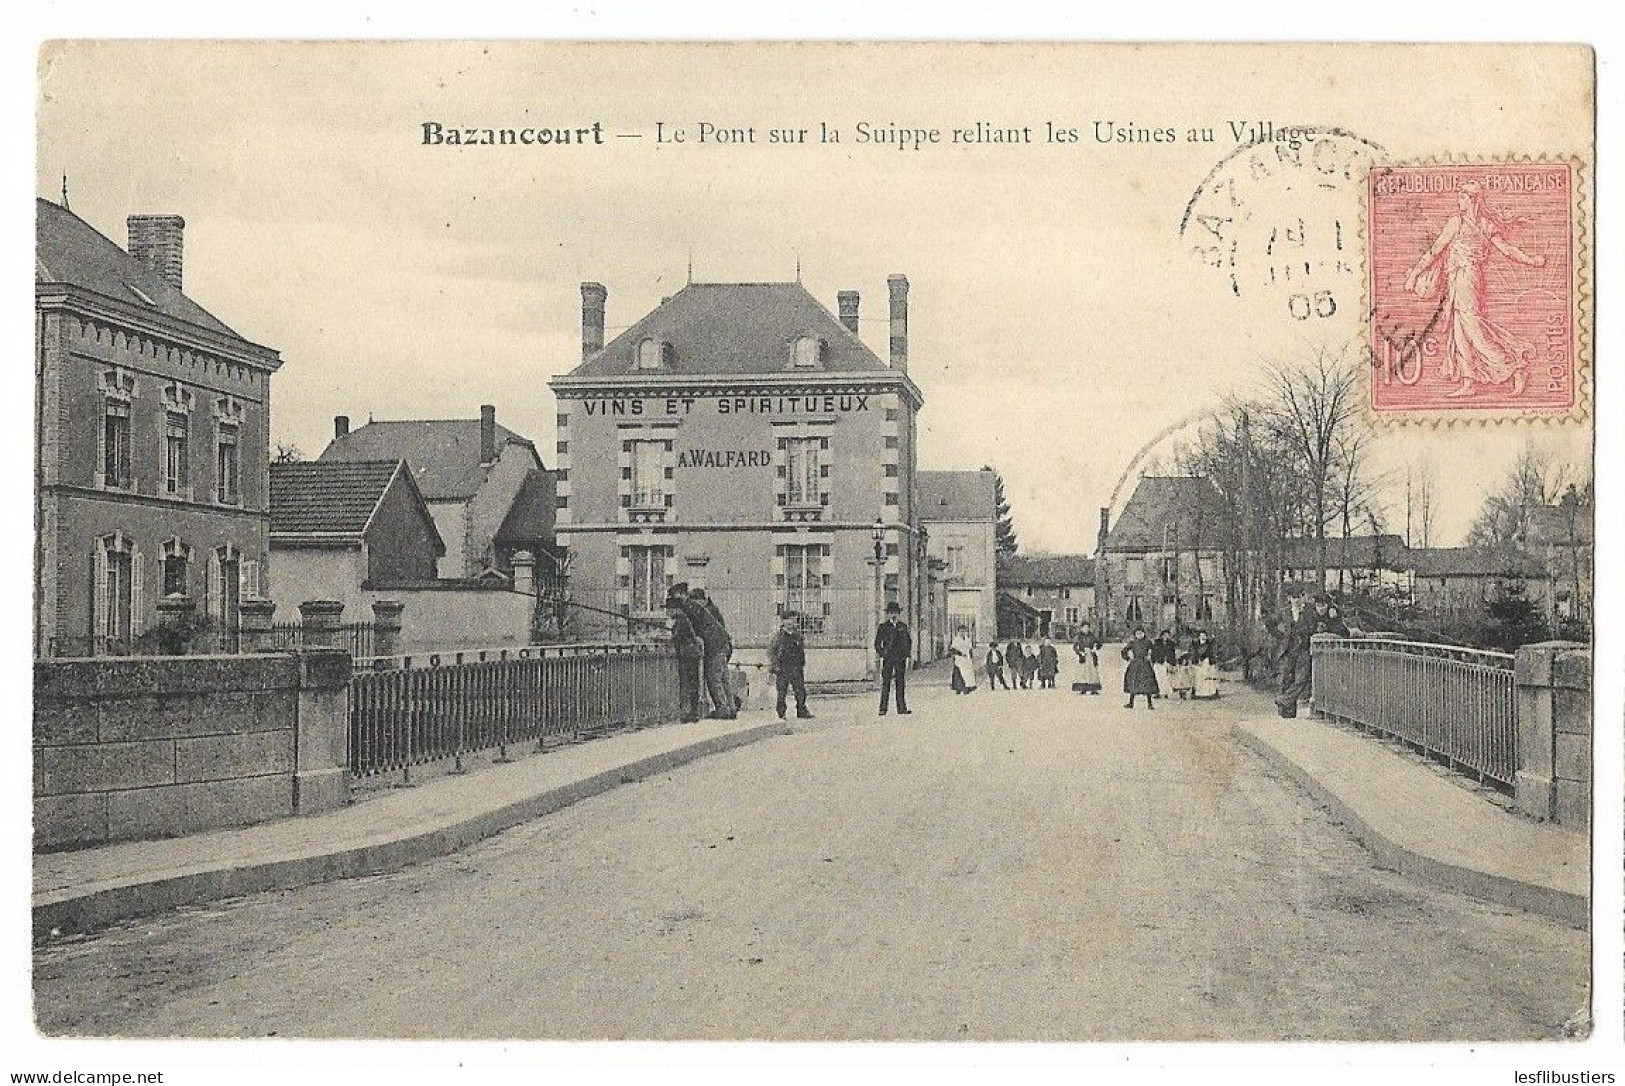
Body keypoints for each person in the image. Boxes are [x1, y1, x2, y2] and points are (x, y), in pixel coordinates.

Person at [1403, 180, 1546, 399]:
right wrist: (1531, 260)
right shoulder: (1481, 224)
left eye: (1462, 197)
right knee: (1459, 331)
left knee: (1473, 330)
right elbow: (1504, 250)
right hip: (1460, 279)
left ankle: (1515, 367)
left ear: (1472, 200)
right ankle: (1469, 381)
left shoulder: (1460, 222)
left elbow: (1435, 251)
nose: (1458, 201)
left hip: (1466, 280)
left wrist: (1532, 260)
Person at [677, 584, 735, 720]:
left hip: (716, 647)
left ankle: (723, 709)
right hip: (722, 645)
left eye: (694, 600)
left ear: (701, 600)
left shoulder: (706, 610)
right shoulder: (710, 609)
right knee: (723, 678)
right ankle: (730, 708)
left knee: (714, 678)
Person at [665, 588, 704, 723]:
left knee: (688, 683)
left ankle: (690, 713)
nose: (668, 613)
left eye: (669, 610)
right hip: (691, 653)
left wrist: (664, 637)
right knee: (692, 683)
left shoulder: (681, 619)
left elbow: (676, 638)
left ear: (675, 609)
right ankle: (692, 712)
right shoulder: (682, 618)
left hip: (688, 654)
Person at [768, 612, 813, 721]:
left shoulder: (798, 636)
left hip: (796, 667)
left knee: (800, 690)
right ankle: (781, 712)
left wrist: (802, 663)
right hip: (783, 667)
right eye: (789, 620)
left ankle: (801, 710)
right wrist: (775, 667)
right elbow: (772, 653)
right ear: (783, 621)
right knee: (782, 691)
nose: (791, 622)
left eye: (794, 620)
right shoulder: (778, 637)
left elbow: (801, 651)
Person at [874, 601, 912, 715]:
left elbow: (909, 641)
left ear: (898, 613)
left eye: (895, 612)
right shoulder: (883, 627)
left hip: (900, 659)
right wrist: (883, 653)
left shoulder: (903, 627)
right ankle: (883, 709)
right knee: (886, 683)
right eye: (891, 613)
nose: (893, 615)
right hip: (888, 659)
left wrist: (907, 654)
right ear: (888, 614)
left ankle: (901, 708)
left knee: (900, 683)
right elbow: (877, 643)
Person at [1121, 626, 1159, 710]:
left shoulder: (1148, 642)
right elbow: (1124, 651)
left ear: (1144, 633)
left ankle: (1149, 703)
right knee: (1133, 683)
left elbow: (1155, 651)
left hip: (1145, 664)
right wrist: (1128, 658)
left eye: (1141, 633)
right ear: (1135, 635)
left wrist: (1151, 657)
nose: (1139, 635)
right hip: (1135, 664)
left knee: (1147, 684)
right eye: (1137, 634)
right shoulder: (1133, 642)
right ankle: (1131, 703)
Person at [1191, 629, 1219, 700]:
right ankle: (1199, 693)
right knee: (1199, 678)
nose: (1203, 637)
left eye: (1204, 636)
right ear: (1199, 637)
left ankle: (1208, 693)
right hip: (1199, 663)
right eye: (1201, 636)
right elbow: (1193, 653)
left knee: (1207, 678)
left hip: (1207, 662)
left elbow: (1212, 653)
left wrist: (1212, 661)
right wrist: (1197, 660)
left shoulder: (1209, 645)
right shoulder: (1195, 645)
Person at [1150, 628, 1177, 701]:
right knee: (1158, 678)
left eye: (1167, 635)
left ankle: (1166, 692)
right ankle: (1158, 692)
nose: (1166, 636)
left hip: (1167, 662)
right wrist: (1153, 661)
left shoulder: (1171, 643)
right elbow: (1154, 653)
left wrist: (1173, 664)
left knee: (1167, 678)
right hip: (1159, 662)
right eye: (1164, 635)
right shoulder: (1157, 643)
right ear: (1161, 636)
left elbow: (1173, 654)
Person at [949, 627, 978, 694]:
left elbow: (970, 649)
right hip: (959, 658)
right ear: (958, 632)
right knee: (960, 674)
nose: (962, 633)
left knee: (968, 673)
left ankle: (969, 687)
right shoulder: (956, 640)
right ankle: (960, 688)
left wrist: (971, 657)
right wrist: (960, 653)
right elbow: (952, 650)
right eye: (961, 631)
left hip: (967, 659)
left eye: (963, 631)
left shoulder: (967, 639)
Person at [1170, 628, 1195, 701]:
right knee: (1180, 677)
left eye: (1187, 641)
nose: (1185, 642)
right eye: (1183, 640)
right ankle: (1181, 692)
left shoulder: (1191, 646)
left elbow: (1192, 653)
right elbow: (1176, 655)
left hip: (1188, 662)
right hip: (1180, 664)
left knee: (1189, 677)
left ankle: (1191, 690)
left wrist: (1189, 659)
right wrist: (1179, 658)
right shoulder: (1177, 647)